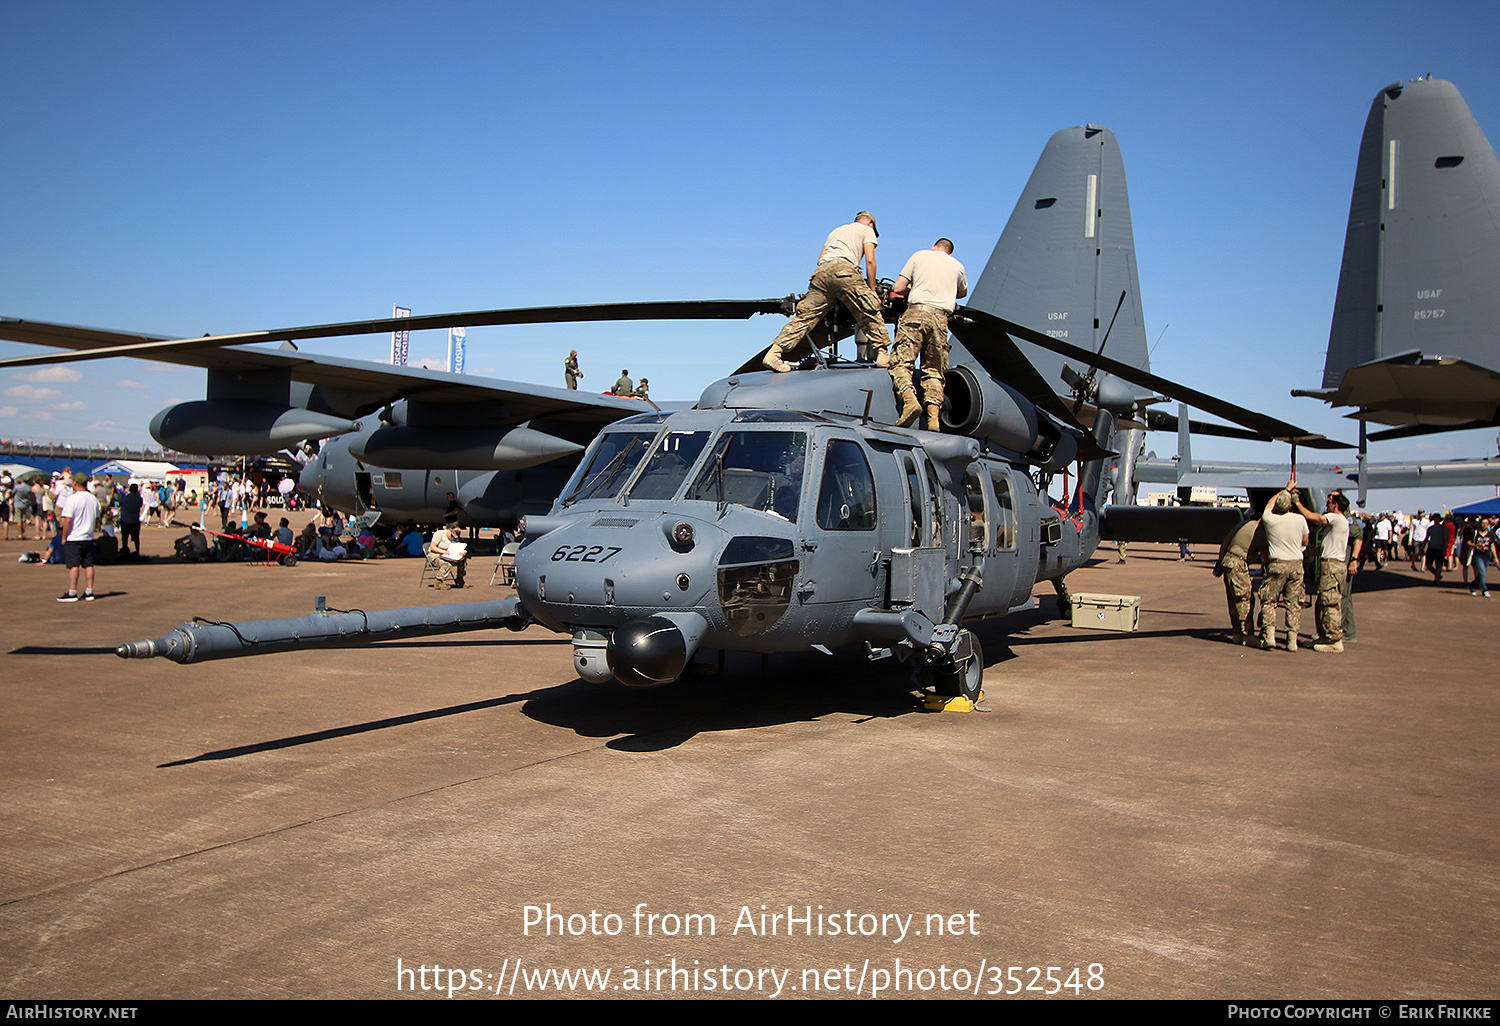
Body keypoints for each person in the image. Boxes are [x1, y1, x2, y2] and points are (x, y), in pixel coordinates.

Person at [764, 212, 889, 373]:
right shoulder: (866, 230)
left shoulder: (836, 231)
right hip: (844, 271)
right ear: (870, 222)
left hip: (821, 274)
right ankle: (883, 354)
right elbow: (870, 260)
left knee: (805, 317)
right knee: (868, 309)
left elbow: (820, 258)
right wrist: (872, 290)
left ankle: (774, 353)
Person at [887, 238, 968, 430]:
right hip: (940, 320)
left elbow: (898, 287)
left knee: (900, 362)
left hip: (916, 314)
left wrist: (911, 288)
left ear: (934, 247)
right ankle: (933, 419)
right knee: (934, 370)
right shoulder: (957, 266)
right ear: (949, 252)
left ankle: (909, 401)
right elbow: (962, 292)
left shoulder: (920, 255)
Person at [1294, 490, 1352, 653]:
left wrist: (1297, 502)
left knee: (1330, 602)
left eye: (1329, 501)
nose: (1327, 504)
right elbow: (1324, 548)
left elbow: (1314, 517)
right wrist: (1305, 553)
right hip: (1330, 564)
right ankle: (1324, 635)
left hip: (1332, 566)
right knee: (1322, 602)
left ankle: (1334, 640)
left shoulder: (1336, 518)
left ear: (1336, 504)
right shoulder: (1337, 524)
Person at [1259, 479, 1309, 651]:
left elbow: (1268, 504)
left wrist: (1285, 489)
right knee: (1294, 603)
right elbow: (1305, 541)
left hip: (1277, 564)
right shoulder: (1300, 519)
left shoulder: (1269, 519)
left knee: (1269, 600)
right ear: (1290, 506)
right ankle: (1291, 640)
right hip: (1296, 565)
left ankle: (1270, 635)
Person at [1215, 512, 1266, 645]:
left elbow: (1226, 541)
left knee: (1233, 599)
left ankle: (1237, 633)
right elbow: (1266, 556)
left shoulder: (1242, 525)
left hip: (1228, 562)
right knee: (1245, 599)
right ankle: (1247, 635)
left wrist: (1219, 562)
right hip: (1239, 564)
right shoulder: (1258, 531)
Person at [57, 472, 101, 602]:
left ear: (75, 483)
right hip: (88, 536)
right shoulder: (93, 499)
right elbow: (97, 519)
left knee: (74, 564)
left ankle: (72, 592)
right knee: (88, 564)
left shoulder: (72, 499)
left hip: (74, 536)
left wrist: (63, 536)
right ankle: (89, 590)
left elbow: (67, 520)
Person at [118, 483, 143, 558]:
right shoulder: (139, 499)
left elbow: (120, 503)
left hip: (125, 520)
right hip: (135, 520)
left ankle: (125, 549)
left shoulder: (125, 498)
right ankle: (137, 551)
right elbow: (140, 505)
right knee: (136, 538)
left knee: (125, 537)